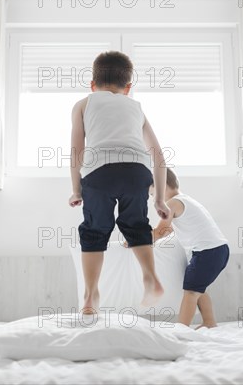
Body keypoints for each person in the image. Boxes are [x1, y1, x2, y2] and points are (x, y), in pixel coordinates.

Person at [68, 51, 170, 314]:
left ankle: (90, 296)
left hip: (99, 173)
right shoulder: (136, 108)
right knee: (136, 225)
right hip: (137, 171)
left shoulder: (83, 104)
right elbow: (158, 156)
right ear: (128, 88)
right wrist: (159, 198)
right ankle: (150, 278)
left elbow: (76, 151)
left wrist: (75, 189)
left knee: (95, 231)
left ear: (92, 85)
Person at [151, 168, 230, 328]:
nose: (153, 200)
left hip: (208, 252)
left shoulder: (172, 204)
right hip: (218, 250)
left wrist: (138, 241)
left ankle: (181, 329)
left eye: (153, 195)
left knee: (190, 292)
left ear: (163, 188)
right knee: (198, 288)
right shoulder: (186, 200)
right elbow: (171, 230)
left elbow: (161, 230)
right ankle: (209, 321)